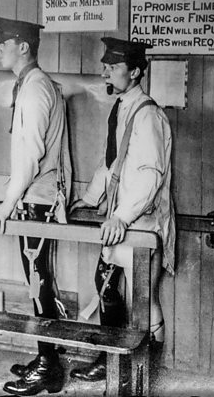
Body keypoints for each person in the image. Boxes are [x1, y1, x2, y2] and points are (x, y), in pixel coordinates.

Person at [69, 38, 175, 384]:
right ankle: (110, 361)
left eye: (113, 68)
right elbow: (113, 163)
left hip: (140, 223)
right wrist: (90, 197)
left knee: (143, 302)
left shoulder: (149, 115)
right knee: (107, 288)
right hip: (122, 220)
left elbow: (150, 177)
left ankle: (147, 374)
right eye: (106, 67)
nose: (106, 73)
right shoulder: (123, 109)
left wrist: (121, 217)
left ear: (135, 71)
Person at [0, 17, 72, 396]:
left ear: (24, 47)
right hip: (33, 198)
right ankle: (45, 358)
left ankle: (49, 367)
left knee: (39, 283)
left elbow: (32, 154)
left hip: (35, 201)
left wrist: (7, 203)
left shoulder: (36, 89)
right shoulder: (32, 86)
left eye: (5, 42)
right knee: (36, 282)